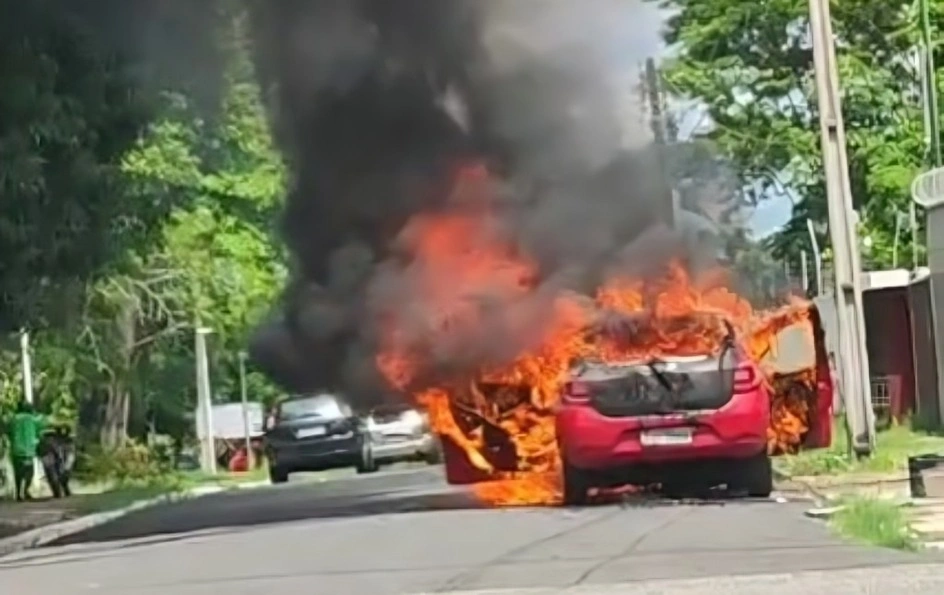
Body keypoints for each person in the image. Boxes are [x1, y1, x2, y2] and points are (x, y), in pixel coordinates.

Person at [7, 400, 45, 501]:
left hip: (16, 450)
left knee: (18, 473)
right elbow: (41, 427)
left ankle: (18, 494)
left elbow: (7, 429)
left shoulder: (13, 419)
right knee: (29, 472)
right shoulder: (33, 419)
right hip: (29, 450)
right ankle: (25, 491)